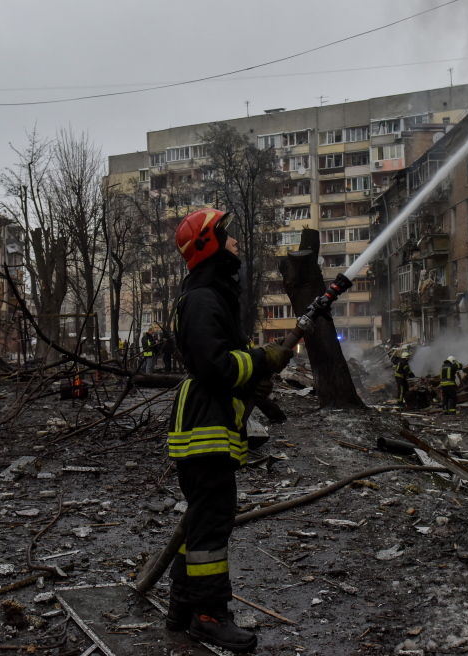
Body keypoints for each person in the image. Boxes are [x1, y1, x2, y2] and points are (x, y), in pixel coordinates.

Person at [165, 208, 292, 652]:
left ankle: (182, 607)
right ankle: (209, 615)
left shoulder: (211, 295)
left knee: (202, 521)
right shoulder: (202, 299)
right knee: (212, 526)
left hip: (210, 425)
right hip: (205, 427)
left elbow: (224, 364)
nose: (235, 241)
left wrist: (257, 375)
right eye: (227, 235)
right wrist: (261, 359)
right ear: (208, 245)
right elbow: (214, 365)